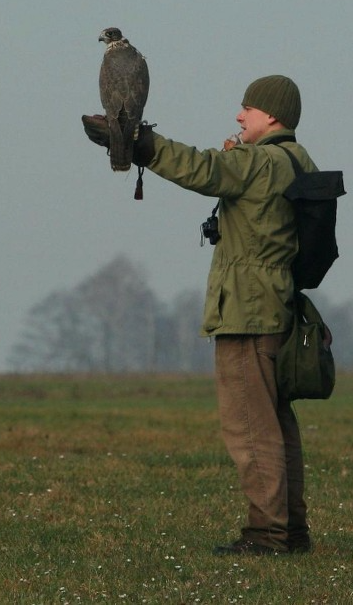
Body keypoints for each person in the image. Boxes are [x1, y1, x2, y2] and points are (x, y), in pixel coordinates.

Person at [82, 75, 314, 555]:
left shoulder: (260, 163)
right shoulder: (295, 160)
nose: (238, 115)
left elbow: (202, 170)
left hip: (247, 312)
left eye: (246, 108)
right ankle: (291, 531)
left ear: (271, 116)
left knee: (250, 427)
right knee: (276, 423)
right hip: (278, 305)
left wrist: (141, 143)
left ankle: (267, 535)